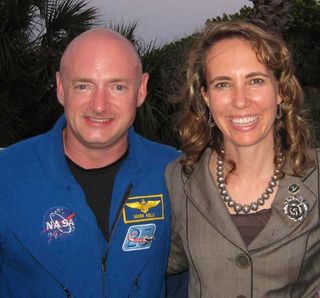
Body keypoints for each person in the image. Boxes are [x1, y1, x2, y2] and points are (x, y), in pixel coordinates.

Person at [0, 29, 179, 297]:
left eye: (117, 86)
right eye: (83, 85)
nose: (99, 105)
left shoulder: (176, 173)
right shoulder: (7, 175)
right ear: (61, 88)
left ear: (141, 90)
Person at [166, 21, 320, 297]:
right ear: (206, 97)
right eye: (223, 84)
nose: (240, 101)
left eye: (256, 81)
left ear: (280, 91)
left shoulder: (316, 175)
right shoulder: (179, 179)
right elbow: (152, 262)